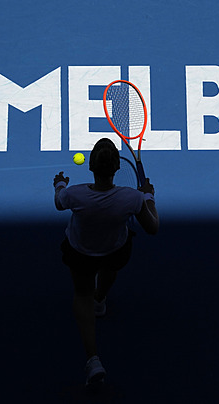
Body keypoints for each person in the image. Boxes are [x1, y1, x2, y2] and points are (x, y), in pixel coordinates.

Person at [53, 138, 159, 386]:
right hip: (114, 250)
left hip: (81, 252)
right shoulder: (132, 198)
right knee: (111, 268)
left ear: (91, 166)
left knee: (82, 295)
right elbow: (152, 227)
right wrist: (149, 198)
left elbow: (59, 201)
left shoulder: (74, 194)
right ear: (116, 168)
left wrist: (59, 184)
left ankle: (93, 360)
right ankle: (100, 300)